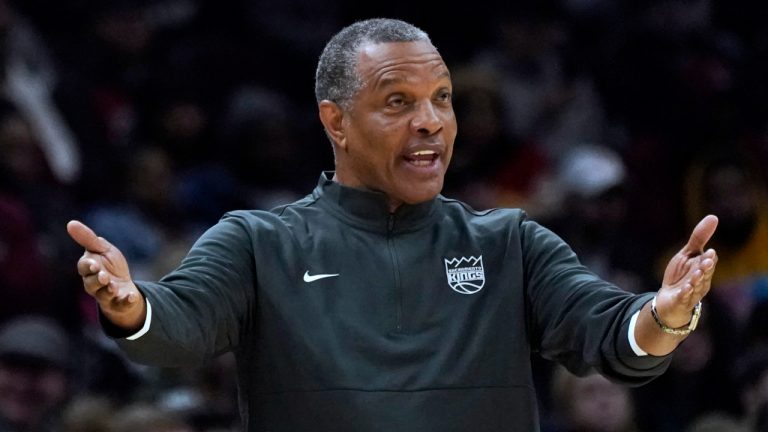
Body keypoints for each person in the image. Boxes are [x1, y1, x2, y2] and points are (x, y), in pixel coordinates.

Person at [66, 18, 719, 431]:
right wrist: (131, 306)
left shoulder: (511, 243)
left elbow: (611, 337)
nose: (431, 122)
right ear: (336, 122)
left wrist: (664, 315)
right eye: (398, 103)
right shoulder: (257, 242)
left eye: (441, 100)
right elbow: (175, 329)